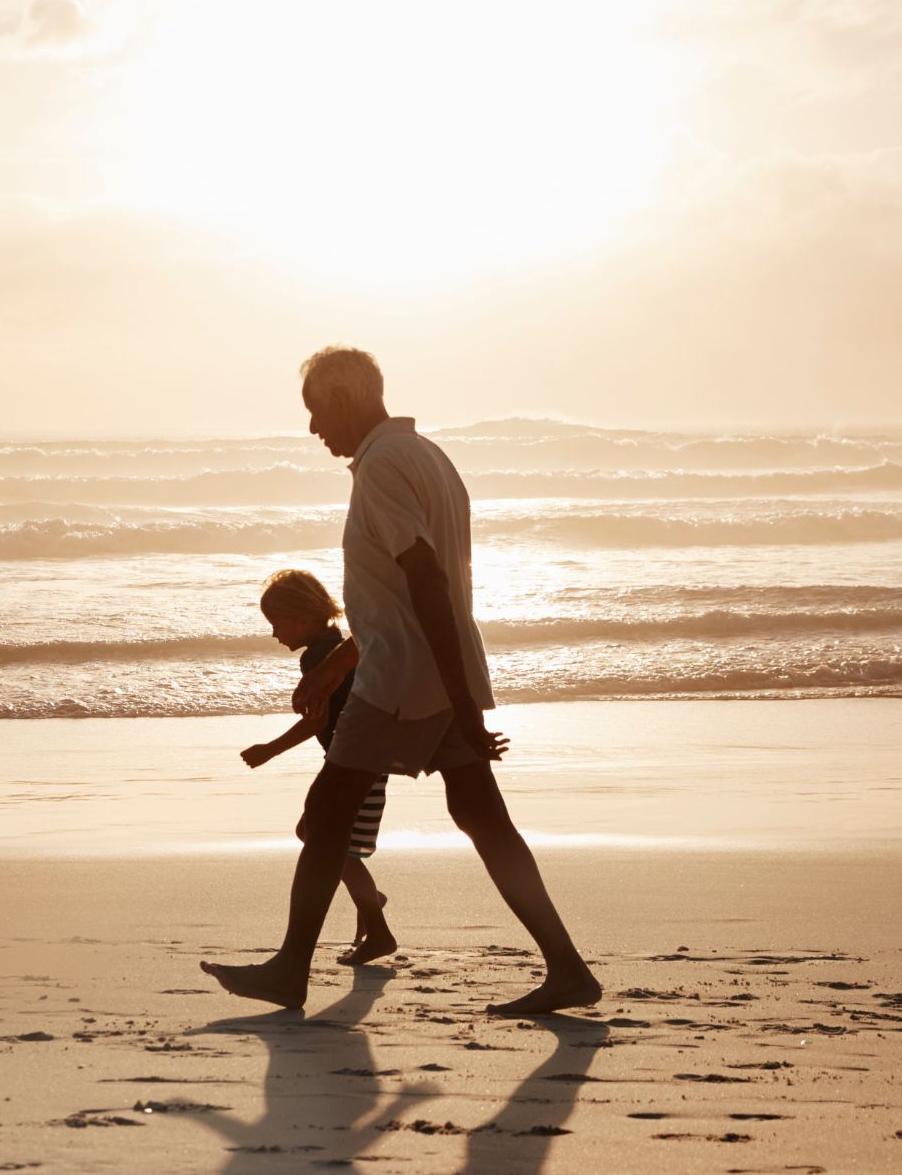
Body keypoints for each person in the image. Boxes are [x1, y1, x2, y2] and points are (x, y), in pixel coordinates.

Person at [202, 346, 602, 1015]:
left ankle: (290, 971)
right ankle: (567, 969)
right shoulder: (428, 458)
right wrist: (343, 663)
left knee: (326, 816)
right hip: (434, 676)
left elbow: (424, 578)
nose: (312, 431)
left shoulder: (383, 467)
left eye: (315, 414)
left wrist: (462, 700)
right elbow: (398, 591)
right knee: (480, 816)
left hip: (400, 684)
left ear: (341, 399)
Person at [240, 569, 397, 966]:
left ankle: (378, 929)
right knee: (317, 833)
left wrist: (269, 750)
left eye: (277, 624)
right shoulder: (341, 646)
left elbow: (317, 721)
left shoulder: (320, 657)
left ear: (304, 618)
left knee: (327, 839)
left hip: (356, 759)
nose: (275, 635)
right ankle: (370, 901)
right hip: (364, 755)